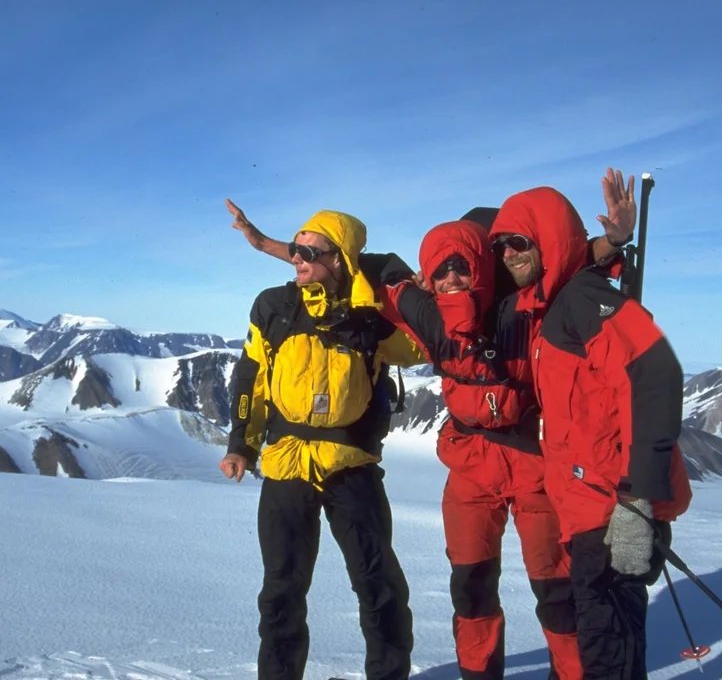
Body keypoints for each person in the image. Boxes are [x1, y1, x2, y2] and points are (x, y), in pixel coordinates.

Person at [224, 170, 637, 680]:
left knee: (542, 590)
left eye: (462, 266)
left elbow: (556, 262)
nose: (450, 278)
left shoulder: (492, 305)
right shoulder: (305, 308)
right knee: (459, 589)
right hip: (421, 462)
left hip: (489, 461)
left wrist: (612, 242)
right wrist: (270, 245)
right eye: (440, 269)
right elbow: (261, 365)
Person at [487, 181, 693, 679]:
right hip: (590, 512)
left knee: (607, 656)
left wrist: (636, 500)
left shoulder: (581, 300)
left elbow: (655, 371)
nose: (508, 254)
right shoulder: (554, 304)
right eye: (501, 245)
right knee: (609, 651)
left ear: (549, 241)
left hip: (610, 513)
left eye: (519, 241)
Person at [219, 208, 428, 680]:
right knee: (281, 590)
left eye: (310, 251)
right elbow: (251, 378)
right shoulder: (273, 307)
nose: (297, 258)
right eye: (295, 249)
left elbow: (422, 344)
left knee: (379, 584)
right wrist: (241, 446)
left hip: (351, 464)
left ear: (340, 259)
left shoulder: (371, 315)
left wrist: (397, 285)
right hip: (286, 463)